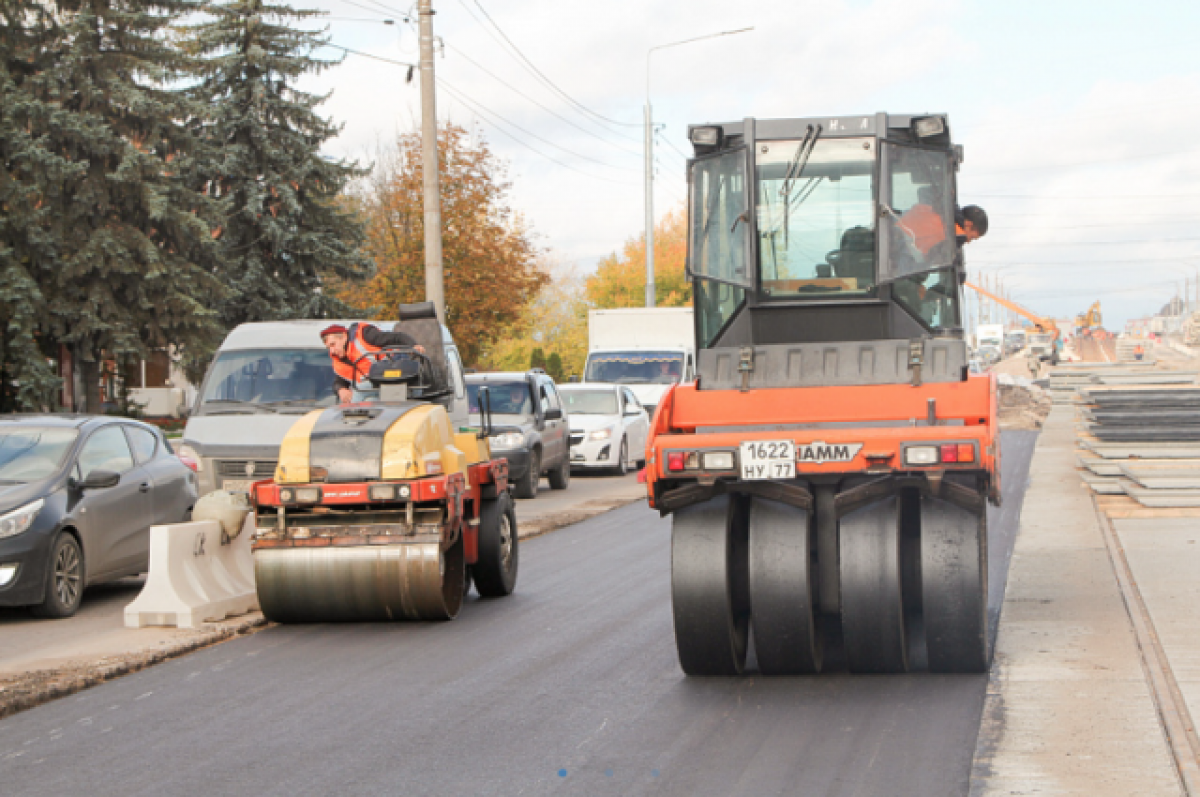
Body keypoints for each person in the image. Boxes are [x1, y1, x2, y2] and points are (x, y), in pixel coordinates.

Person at [321, 323, 423, 404]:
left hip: (395, 376)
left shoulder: (365, 335)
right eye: (329, 347)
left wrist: (413, 346)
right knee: (369, 402)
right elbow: (339, 380)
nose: (332, 351)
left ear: (343, 336)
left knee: (359, 391)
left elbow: (397, 337)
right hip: (378, 388)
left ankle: (349, 425)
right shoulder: (339, 360)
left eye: (333, 344)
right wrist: (341, 390)